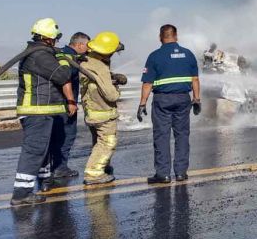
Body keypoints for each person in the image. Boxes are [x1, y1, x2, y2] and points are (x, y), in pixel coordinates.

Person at [11, 18, 77, 206]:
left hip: (42, 111)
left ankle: (44, 181)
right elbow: (63, 75)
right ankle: (21, 193)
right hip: (36, 111)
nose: (56, 42)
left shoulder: (38, 53)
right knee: (34, 151)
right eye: (55, 39)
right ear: (49, 38)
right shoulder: (40, 56)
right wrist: (64, 59)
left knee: (42, 150)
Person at [138, 24, 201, 184]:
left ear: (160, 37)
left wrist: (142, 104)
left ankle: (163, 174)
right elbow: (195, 79)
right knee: (182, 135)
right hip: (183, 99)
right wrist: (197, 99)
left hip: (163, 100)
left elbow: (147, 83)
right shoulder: (188, 54)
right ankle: (181, 173)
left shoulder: (154, 56)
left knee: (162, 136)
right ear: (176, 36)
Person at [80, 31, 126, 185]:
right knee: (107, 142)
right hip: (103, 113)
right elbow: (111, 95)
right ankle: (94, 173)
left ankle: (103, 166)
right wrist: (116, 87)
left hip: (92, 112)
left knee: (98, 142)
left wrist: (112, 76)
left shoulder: (87, 62)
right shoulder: (100, 68)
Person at [48, 32, 91, 180]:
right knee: (67, 135)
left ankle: (53, 167)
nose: (88, 50)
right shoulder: (68, 57)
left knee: (56, 137)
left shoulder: (64, 54)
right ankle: (60, 168)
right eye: (87, 46)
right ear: (79, 44)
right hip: (65, 105)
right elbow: (65, 79)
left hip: (57, 103)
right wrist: (71, 101)